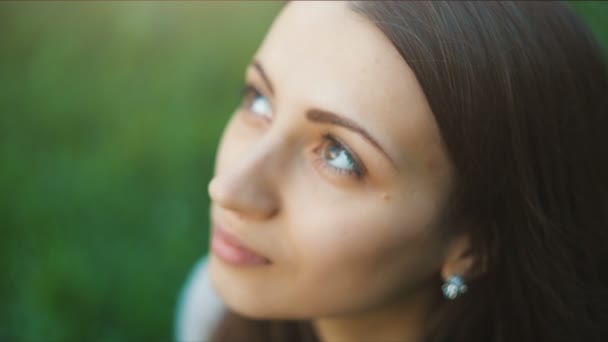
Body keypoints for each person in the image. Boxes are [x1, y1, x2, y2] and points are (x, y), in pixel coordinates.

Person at [175, 1, 608, 341]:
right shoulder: (210, 313)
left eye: (339, 154)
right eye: (259, 100)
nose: (229, 189)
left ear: (474, 245)